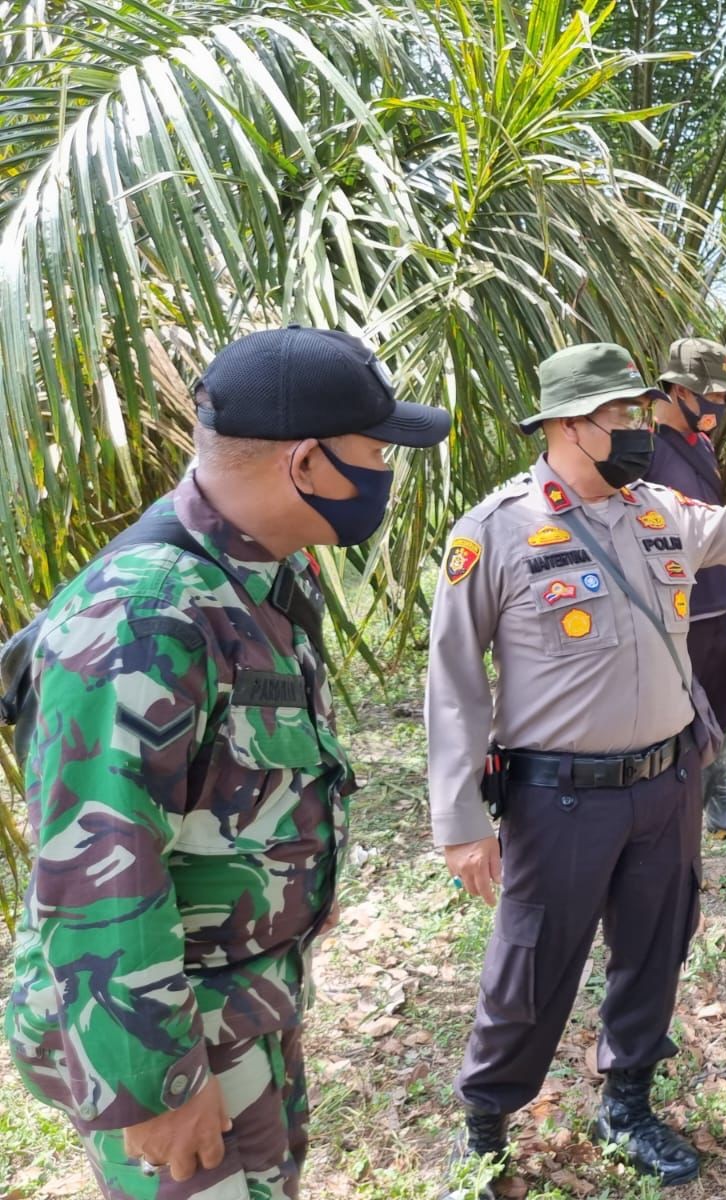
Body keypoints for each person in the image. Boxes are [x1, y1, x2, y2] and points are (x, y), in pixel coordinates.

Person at [426, 342, 726, 1194]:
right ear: (567, 427)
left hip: (667, 783)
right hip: (558, 798)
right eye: (618, 417)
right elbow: (455, 681)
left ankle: (628, 1103)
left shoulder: (660, 512)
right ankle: (486, 1122)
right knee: (532, 962)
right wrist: (462, 823)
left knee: (655, 949)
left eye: (634, 413)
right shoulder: (495, 530)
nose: (635, 431)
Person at [4, 327, 451, 1200]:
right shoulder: (147, 616)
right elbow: (93, 871)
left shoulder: (259, 577)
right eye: (377, 451)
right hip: (162, 1029)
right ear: (308, 464)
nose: (388, 472)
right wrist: (156, 1088)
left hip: (240, 1008)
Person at [647, 337, 726, 836]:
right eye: (710, 395)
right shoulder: (646, 452)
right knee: (679, 714)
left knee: (719, 706)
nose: (718, 405)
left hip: (716, 599)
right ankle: (675, 815)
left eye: (723, 397)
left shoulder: (701, 445)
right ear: (676, 391)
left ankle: (719, 808)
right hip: (676, 607)